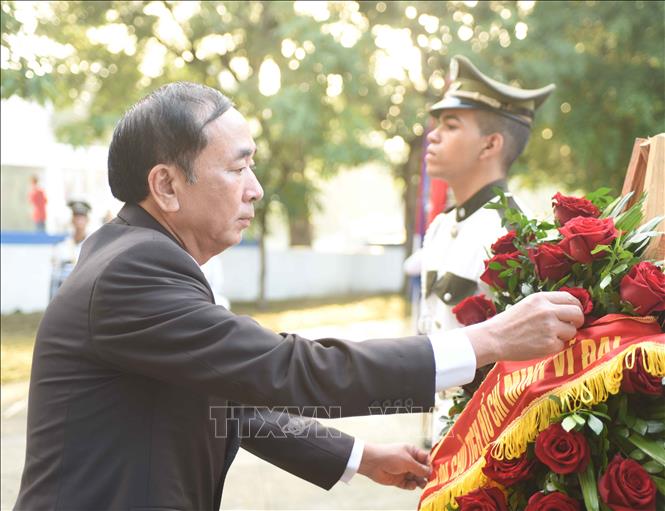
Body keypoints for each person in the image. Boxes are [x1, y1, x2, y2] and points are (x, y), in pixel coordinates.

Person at [15, 82, 582, 510]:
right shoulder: (134, 271)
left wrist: (360, 457)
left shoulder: (139, 255)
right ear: (165, 185)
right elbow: (288, 367)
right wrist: (489, 339)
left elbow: (232, 400)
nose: (256, 190)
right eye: (239, 168)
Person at [419, 55, 556, 444]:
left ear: (490, 144)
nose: (433, 135)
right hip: (441, 437)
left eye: (451, 125)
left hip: (488, 442)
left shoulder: (517, 233)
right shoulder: (442, 226)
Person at [49, 199, 92, 299]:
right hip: (65, 297)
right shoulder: (61, 247)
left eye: (82, 217)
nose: (79, 221)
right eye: (76, 217)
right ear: (72, 219)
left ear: (87, 220)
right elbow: (55, 279)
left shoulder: (93, 245)